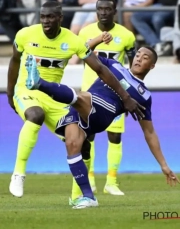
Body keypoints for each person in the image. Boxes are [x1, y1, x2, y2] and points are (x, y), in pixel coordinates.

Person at [7, 1, 144, 201]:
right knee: (36, 114)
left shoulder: (72, 41)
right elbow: (15, 61)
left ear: (60, 18)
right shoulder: (25, 34)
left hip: (54, 99)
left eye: (51, 17)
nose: (46, 21)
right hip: (26, 91)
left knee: (83, 143)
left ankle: (78, 197)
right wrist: (10, 93)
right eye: (43, 16)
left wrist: (126, 97)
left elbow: (100, 69)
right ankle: (18, 174)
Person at [25, 46, 180, 208]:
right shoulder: (114, 64)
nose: (139, 58)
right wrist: (96, 40)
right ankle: (89, 197)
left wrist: (164, 165)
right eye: (138, 55)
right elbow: (87, 54)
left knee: (80, 96)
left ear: (152, 66)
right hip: (82, 107)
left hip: (103, 112)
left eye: (145, 57)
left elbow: (149, 132)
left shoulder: (143, 95)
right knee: (72, 145)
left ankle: (39, 83)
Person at [71, 0, 136, 201]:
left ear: (114, 11)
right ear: (96, 11)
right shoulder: (86, 32)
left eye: (108, 9)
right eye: (100, 9)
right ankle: (89, 180)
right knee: (87, 137)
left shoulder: (126, 36)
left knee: (114, 136)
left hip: (114, 95)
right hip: (89, 93)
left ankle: (112, 182)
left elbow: (132, 69)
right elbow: (81, 55)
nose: (104, 12)